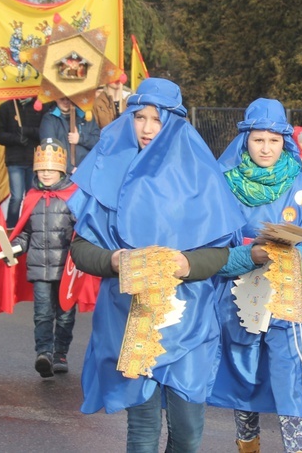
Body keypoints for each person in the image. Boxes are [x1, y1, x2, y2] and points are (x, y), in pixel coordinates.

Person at [68, 78, 245, 452]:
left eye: (157, 119)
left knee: (188, 431)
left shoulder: (202, 175)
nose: (147, 128)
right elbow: (81, 248)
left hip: (189, 319)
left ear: (175, 123)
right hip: (131, 319)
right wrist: (112, 259)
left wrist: (185, 263)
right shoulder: (108, 168)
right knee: (143, 429)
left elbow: (221, 252)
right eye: (139, 117)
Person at [209, 99, 302, 453]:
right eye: (258, 140)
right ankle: (247, 442)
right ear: (245, 141)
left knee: (292, 375)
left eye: (273, 140)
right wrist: (247, 256)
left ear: (284, 141)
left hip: (289, 298)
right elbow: (213, 254)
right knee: (245, 374)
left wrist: (295, 258)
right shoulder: (223, 186)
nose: (266, 148)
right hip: (240, 298)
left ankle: (298, 449)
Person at [7, 138, 78, 378]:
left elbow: (81, 232)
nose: (46, 174)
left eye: (51, 169)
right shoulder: (32, 197)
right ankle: (44, 353)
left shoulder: (73, 197)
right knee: (42, 313)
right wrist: (14, 248)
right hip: (39, 268)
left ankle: (60, 353)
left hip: (66, 269)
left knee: (66, 314)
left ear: (61, 170)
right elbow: (25, 232)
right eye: (42, 169)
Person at [0, 97, 43, 227]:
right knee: (16, 197)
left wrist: (28, 131)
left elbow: (43, 131)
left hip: (34, 159)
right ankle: (11, 227)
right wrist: (15, 138)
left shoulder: (39, 106)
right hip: (15, 159)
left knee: (32, 196)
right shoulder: (6, 107)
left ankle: (31, 225)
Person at [39, 96, 100, 175]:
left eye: (69, 98)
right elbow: (49, 147)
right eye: (62, 99)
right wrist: (69, 168)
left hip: (88, 170)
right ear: (56, 98)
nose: (66, 102)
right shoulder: (49, 119)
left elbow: (99, 142)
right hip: (63, 173)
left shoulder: (86, 117)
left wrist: (80, 139)